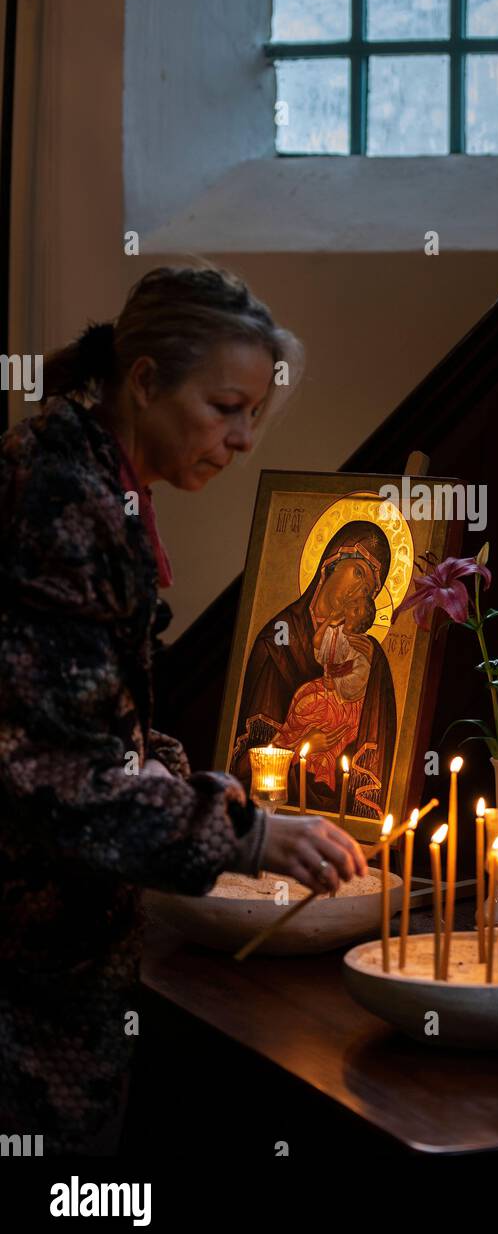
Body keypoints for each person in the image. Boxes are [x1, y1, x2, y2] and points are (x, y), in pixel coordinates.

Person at [0, 265, 368, 1155]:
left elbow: (105, 723)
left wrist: (201, 791)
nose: (242, 439)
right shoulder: (60, 500)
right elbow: (59, 774)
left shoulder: (90, 473)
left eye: (254, 416)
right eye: (226, 407)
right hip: (26, 952)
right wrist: (242, 833)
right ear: (146, 381)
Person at [233, 522, 397, 818]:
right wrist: (301, 745)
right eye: (358, 572)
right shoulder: (278, 640)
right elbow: (247, 764)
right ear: (330, 564)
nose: (360, 591)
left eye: (371, 591)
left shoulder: (368, 653)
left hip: (337, 818)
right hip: (272, 814)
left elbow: (373, 760)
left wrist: (374, 670)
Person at [272, 593, 377, 792]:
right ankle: (287, 748)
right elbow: (318, 647)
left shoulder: (360, 644)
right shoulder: (336, 632)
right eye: (353, 601)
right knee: (302, 695)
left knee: (310, 705)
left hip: (346, 701)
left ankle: (311, 761)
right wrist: (330, 620)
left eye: (357, 609)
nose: (351, 603)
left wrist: (336, 684)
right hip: (329, 687)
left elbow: (360, 678)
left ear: (362, 622)